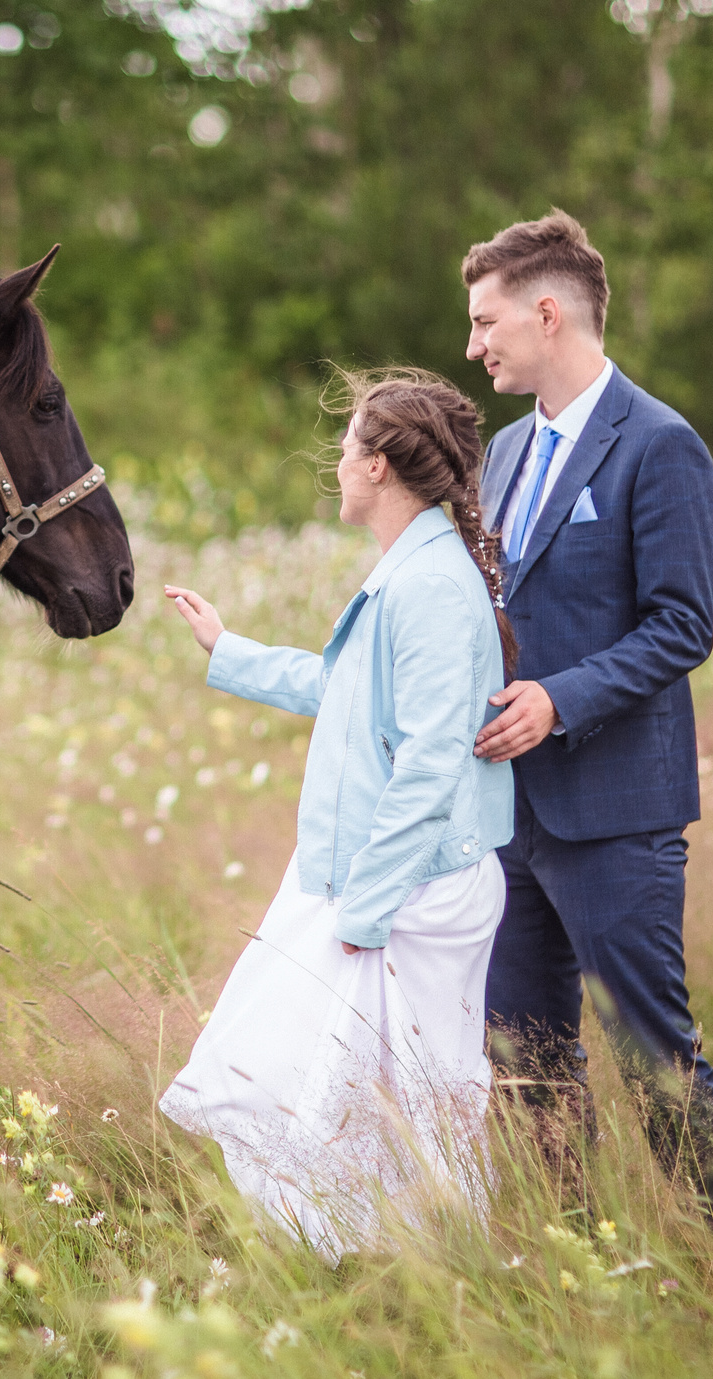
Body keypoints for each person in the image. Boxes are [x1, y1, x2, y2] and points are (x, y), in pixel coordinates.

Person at [158, 369, 517, 1260]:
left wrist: (365, 907)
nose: (339, 462)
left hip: (408, 891)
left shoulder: (429, 586)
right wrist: (227, 647)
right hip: (370, 878)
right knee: (327, 1088)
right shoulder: (412, 571)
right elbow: (343, 688)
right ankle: (366, 1266)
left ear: (380, 465)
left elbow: (431, 763)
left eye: (348, 444)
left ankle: (436, 1268)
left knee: (406, 1105)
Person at [462, 210, 713, 1228]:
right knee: (523, 1060)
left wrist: (560, 699)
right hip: (508, 815)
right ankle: (571, 1265)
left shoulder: (662, 445)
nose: (474, 344)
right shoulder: (504, 452)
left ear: (547, 313)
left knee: (651, 1058)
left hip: (616, 814)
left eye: (486, 321)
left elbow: (682, 625)